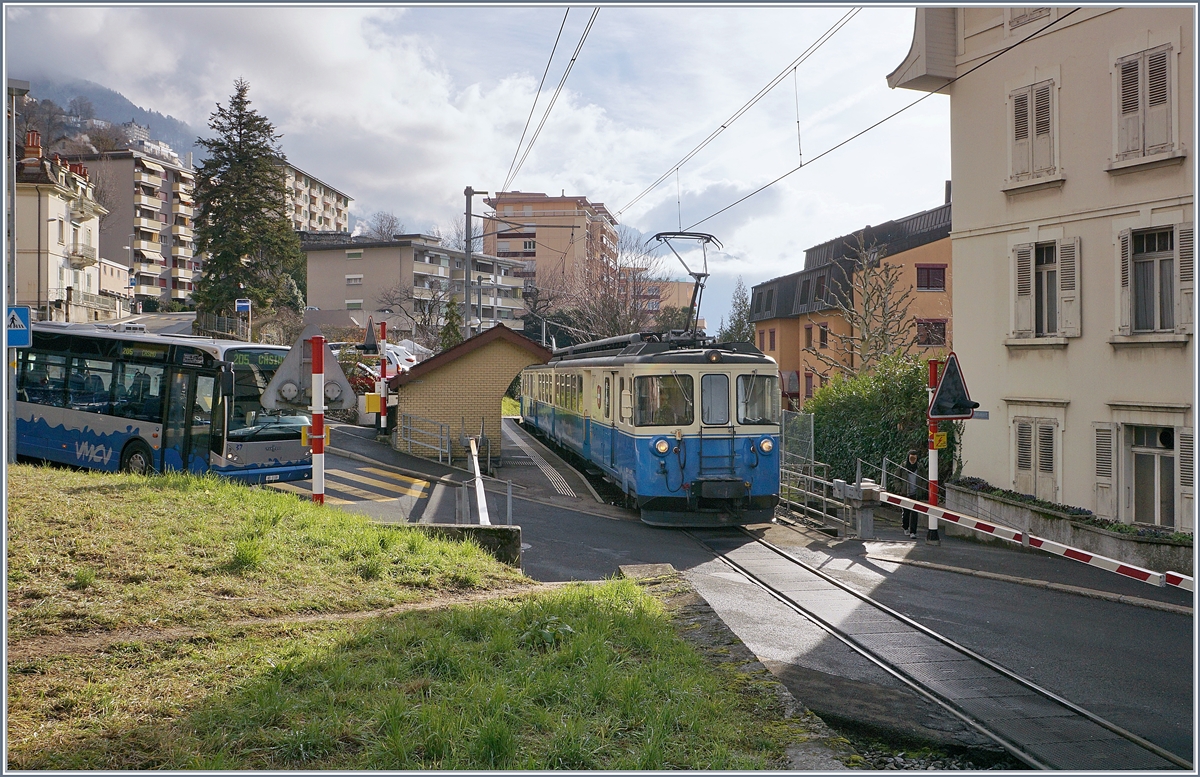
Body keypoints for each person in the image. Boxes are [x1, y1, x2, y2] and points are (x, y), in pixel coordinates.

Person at [901, 449, 922, 539]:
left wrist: (922, 489)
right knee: (906, 512)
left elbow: (924, 478)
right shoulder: (903, 466)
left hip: (915, 493)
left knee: (914, 513)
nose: (913, 460)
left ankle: (913, 531)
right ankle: (905, 527)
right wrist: (900, 488)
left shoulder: (920, 467)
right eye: (911, 458)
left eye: (914, 458)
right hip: (906, 492)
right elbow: (896, 478)